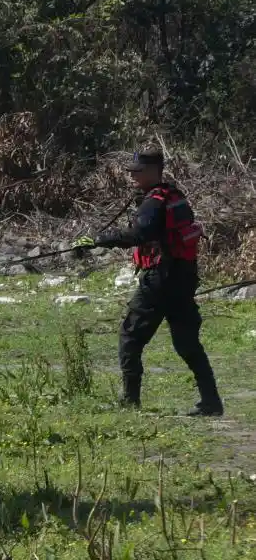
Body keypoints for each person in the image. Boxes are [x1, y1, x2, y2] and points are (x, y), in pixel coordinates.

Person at [74, 148, 223, 416]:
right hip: (183, 277)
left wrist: (102, 239)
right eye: (131, 171)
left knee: (130, 336)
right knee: (187, 342)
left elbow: (139, 234)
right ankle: (211, 401)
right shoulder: (173, 196)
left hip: (160, 279)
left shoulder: (154, 202)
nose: (132, 176)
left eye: (138, 172)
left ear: (155, 171)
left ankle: (130, 402)